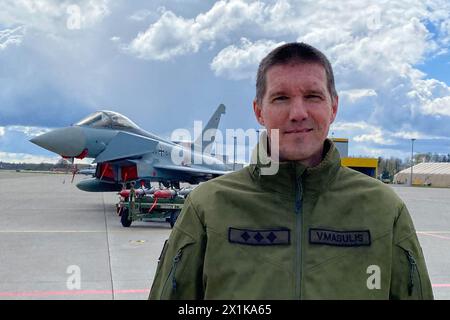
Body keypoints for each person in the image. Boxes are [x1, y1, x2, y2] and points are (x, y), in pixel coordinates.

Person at [149, 42, 433, 299]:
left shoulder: (384, 209)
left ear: (333, 107)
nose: (298, 112)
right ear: (259, 111)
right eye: (281, 98)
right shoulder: (207, 206)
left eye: (312, 96)